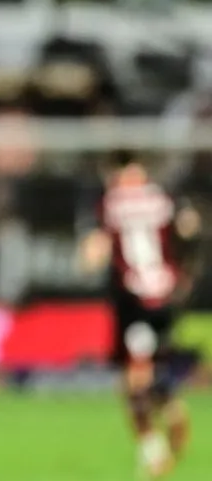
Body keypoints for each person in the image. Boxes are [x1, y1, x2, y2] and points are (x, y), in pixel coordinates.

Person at [80, 151, 201, 479]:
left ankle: (155, 450)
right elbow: (191, 228)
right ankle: (169, 407)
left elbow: (92, 252)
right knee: (146, 372)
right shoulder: (164, 195)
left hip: (134, 301)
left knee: (133, 383)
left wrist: (91, 258)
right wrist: (184, 273)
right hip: (167, 296)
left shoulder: (109, 201)